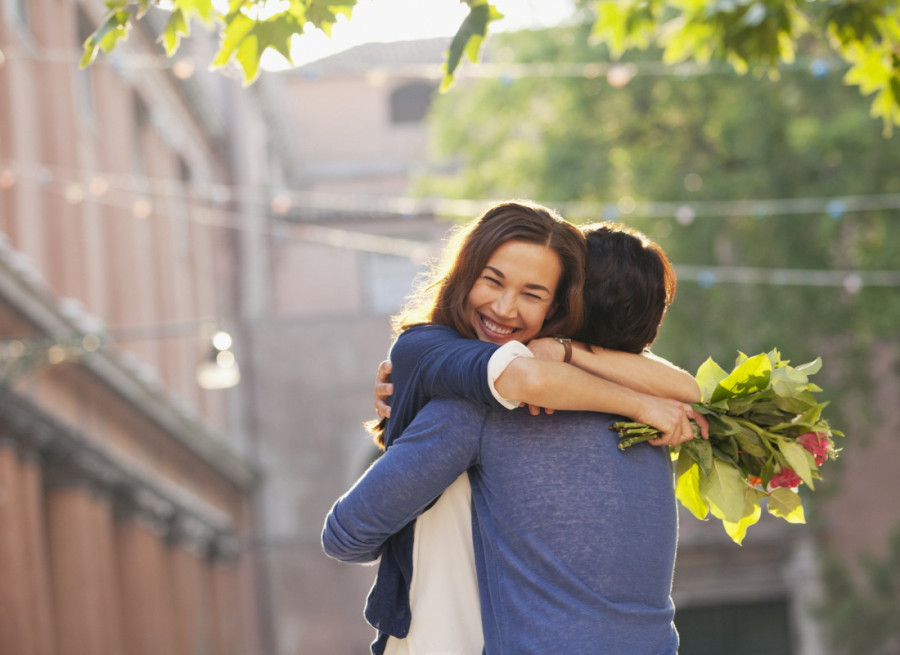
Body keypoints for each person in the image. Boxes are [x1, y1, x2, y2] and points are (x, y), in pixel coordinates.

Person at [324, 220, 695, 653]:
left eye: (535, 292)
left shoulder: (481, 406)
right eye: (495, 280)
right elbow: (689, 386)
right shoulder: (660, 415)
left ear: (562, 305)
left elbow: (346, 534)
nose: (506, 308)